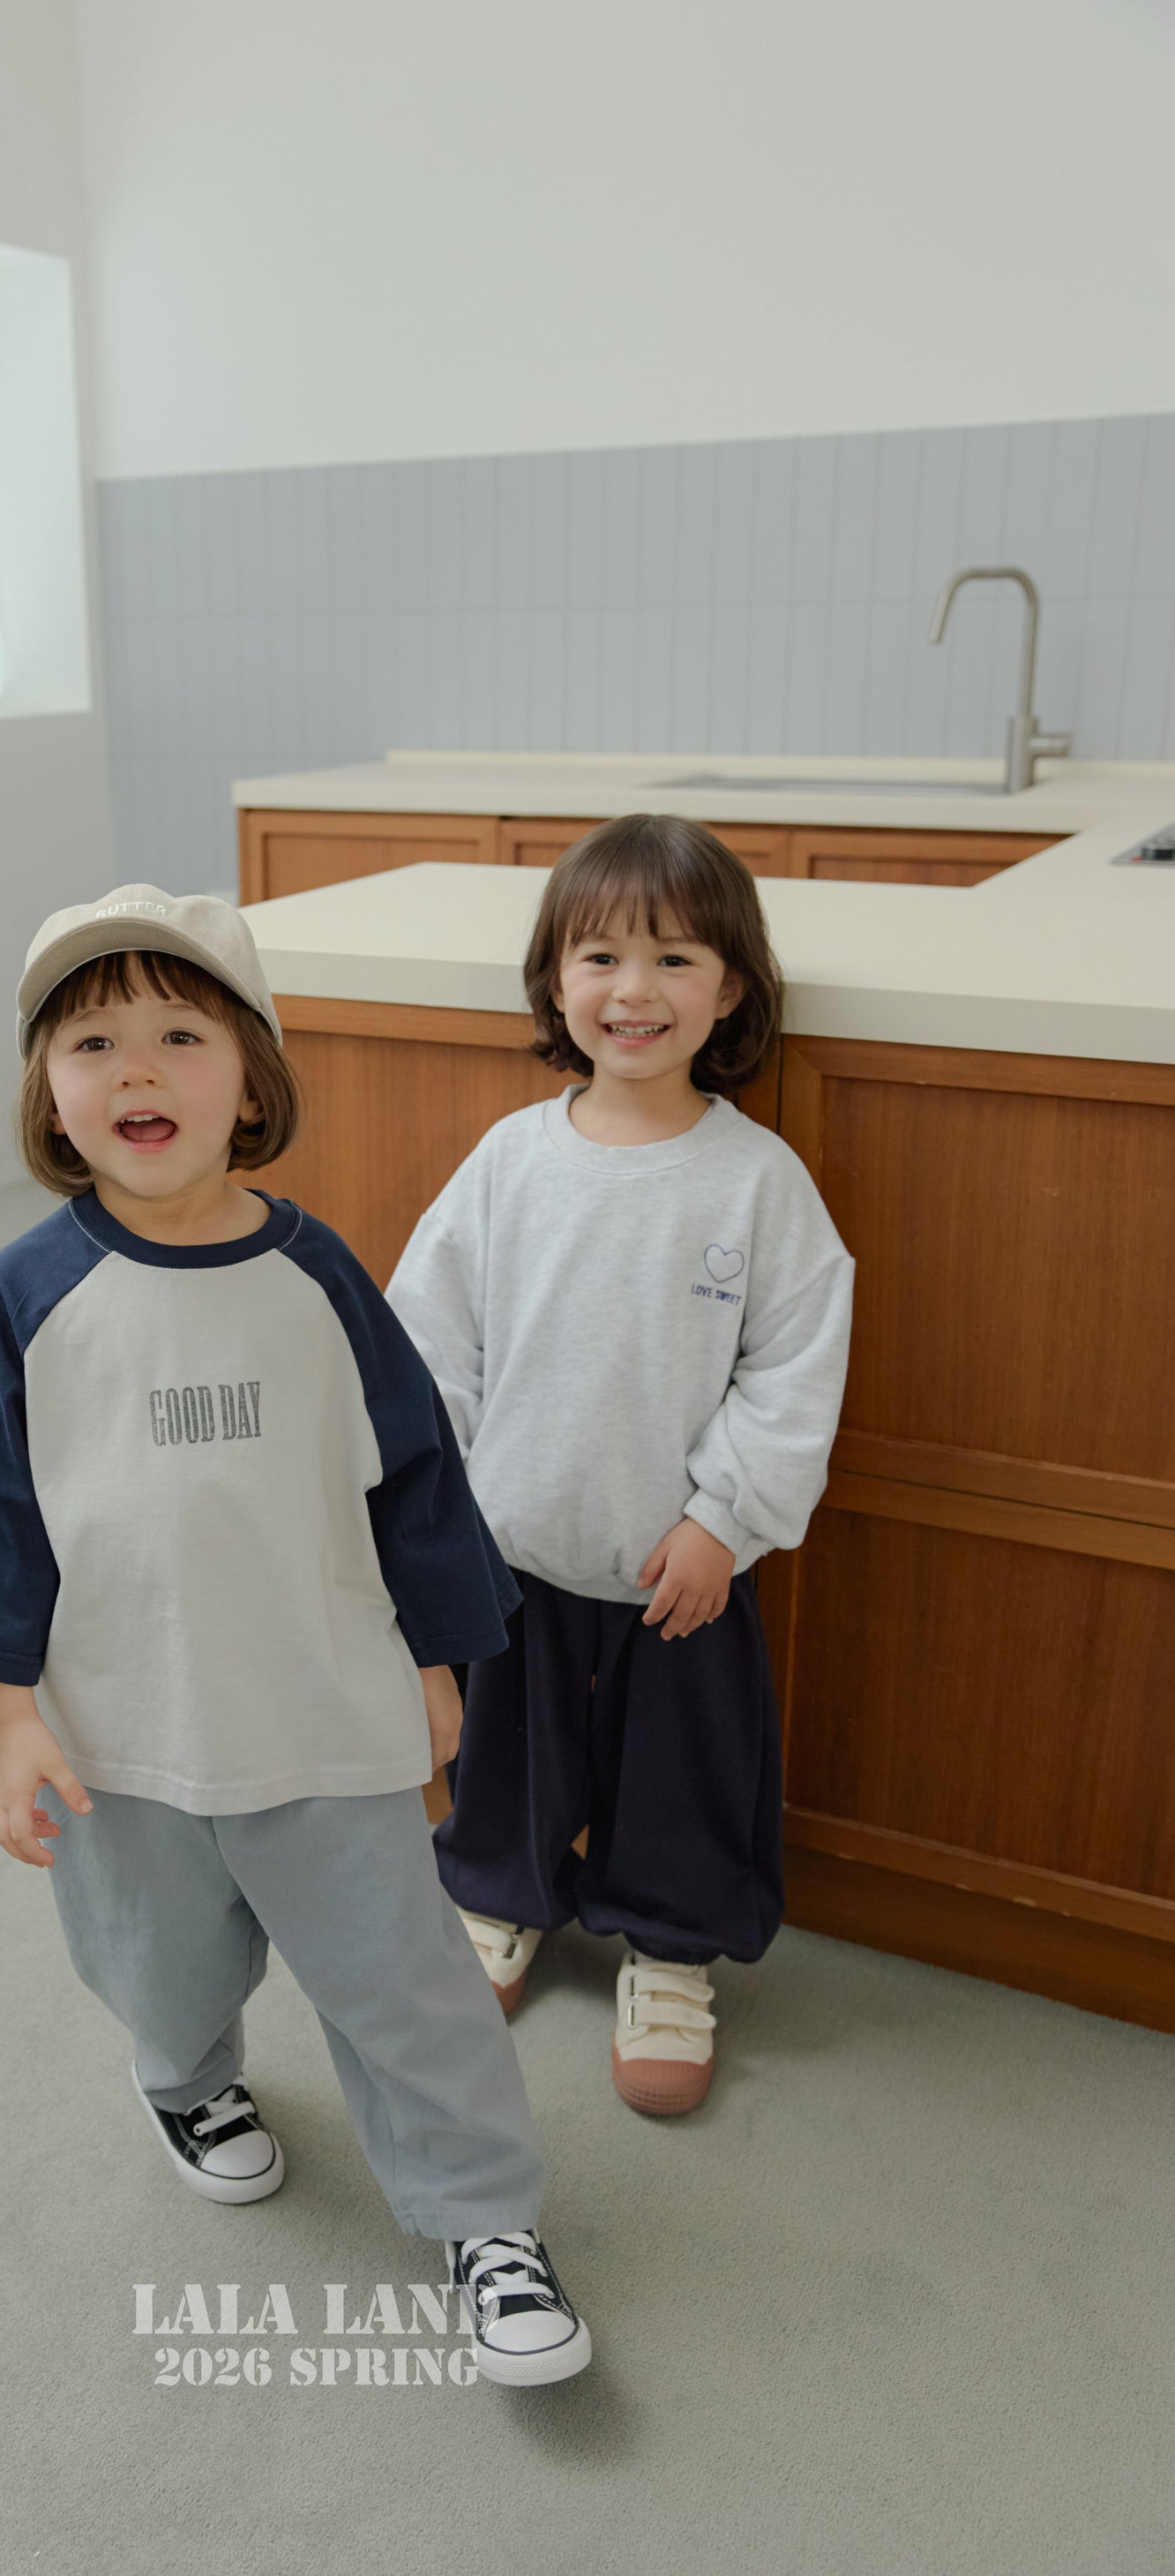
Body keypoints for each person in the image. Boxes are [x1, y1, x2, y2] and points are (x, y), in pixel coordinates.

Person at [0, 882, 592, 2384]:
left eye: (179, 1035)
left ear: (250, 1079)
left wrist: (435, 1662)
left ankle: (483, 2217)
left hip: (323, 1710)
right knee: (161, 1963)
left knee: (404, 1984)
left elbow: (413, 1484)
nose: (136, 1068)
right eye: (92, 1042)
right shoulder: (20, 1299)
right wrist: (12, 1721)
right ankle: (186, 2079)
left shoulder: (315, 1279)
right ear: (47, 1093)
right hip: (121, 1735)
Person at [386, 817, 853, 2115]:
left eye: (674, 958)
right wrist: (443, 1515)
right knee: (504, 1757)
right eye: (599, 956)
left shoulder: (757, 1183)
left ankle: (670, 1952)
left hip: (680, 1569)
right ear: (554, 979)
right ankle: (497, 1898)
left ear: (732, 988)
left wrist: (724, 1520)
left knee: (683, 1774)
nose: (633, 990)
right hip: (514, 1548)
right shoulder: (508, 1162)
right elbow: (429, 1346)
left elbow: (792, 1369)